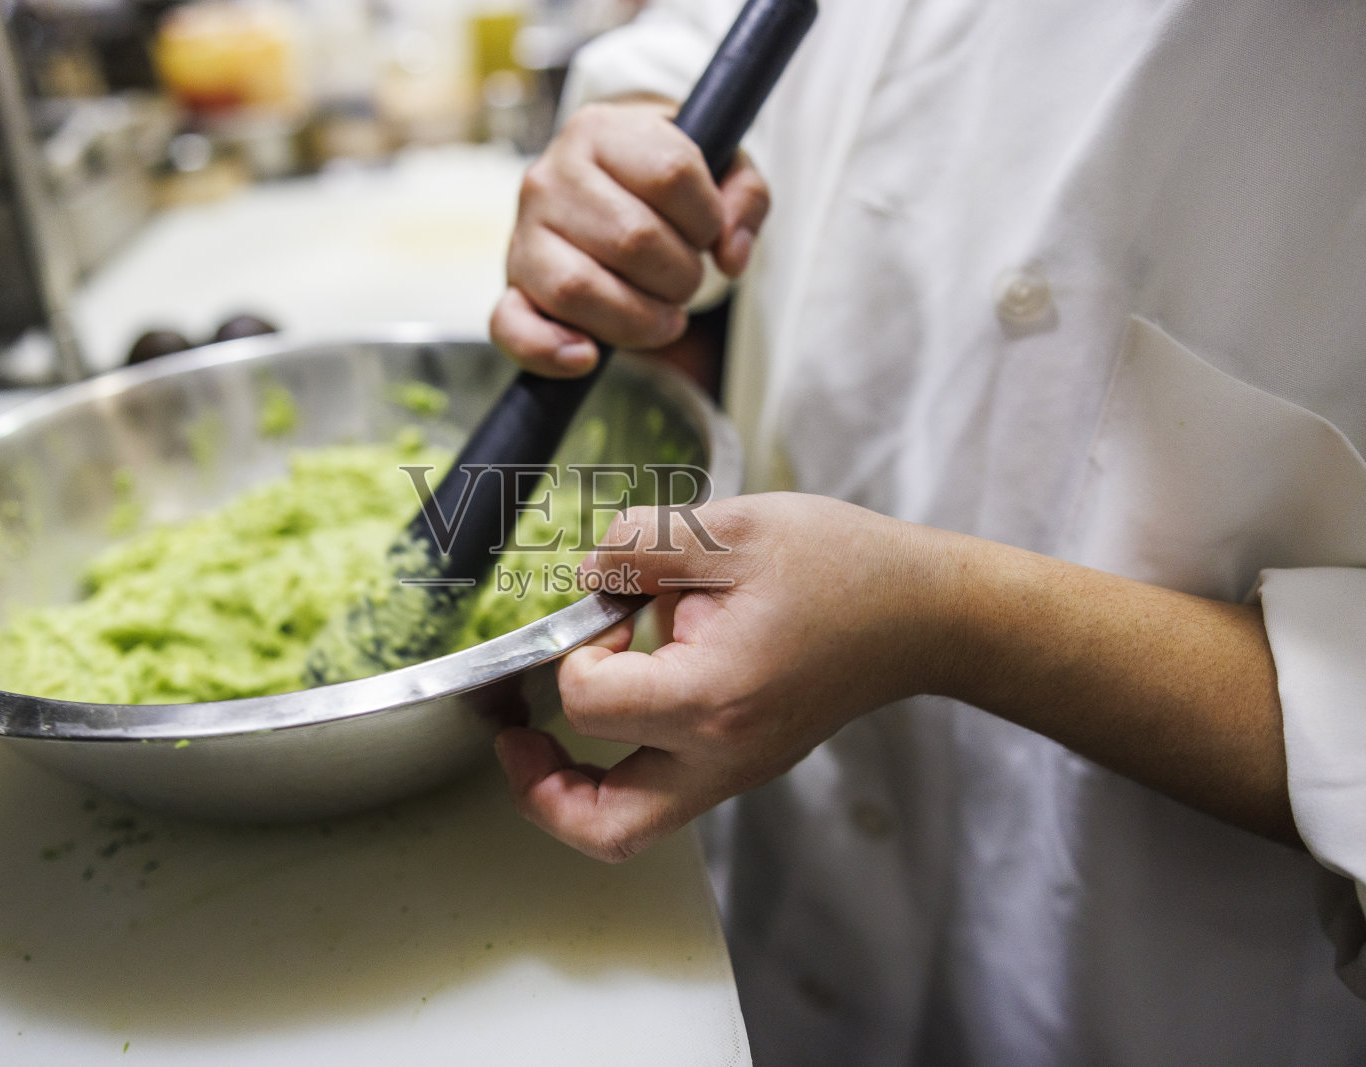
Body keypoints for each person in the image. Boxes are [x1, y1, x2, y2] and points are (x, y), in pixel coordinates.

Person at [486, 1, 1366, 1062]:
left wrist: (940, 616)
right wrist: (631, 155)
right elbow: (703, 32)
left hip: (1163, 976)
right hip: (779, 870)